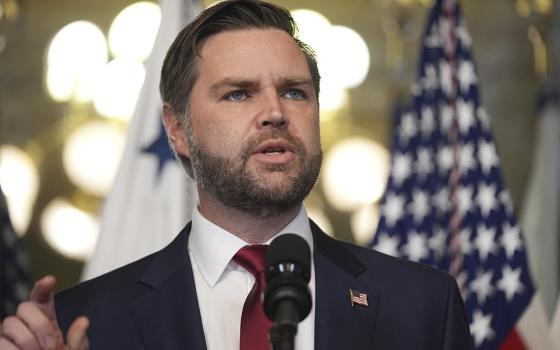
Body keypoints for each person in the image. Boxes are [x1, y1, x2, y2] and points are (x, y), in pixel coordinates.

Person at [0, 1, 473, 349]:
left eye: (294, 92)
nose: (274, 113)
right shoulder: (86, 321)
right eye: (238, 94)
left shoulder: (423, 306)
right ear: (177, 129)